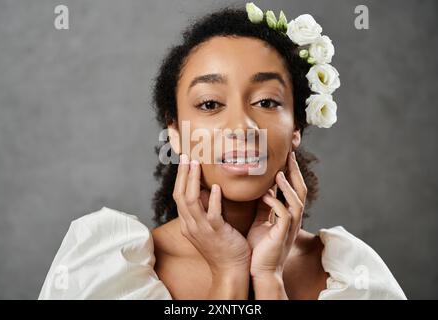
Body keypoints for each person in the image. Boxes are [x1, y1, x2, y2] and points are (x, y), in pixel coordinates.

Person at [38, 3, 407, 300]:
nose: (242, 127)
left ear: (296, 128)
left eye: (266, 101)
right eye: (211, 104)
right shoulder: (103, 269)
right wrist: (229, 273)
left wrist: (269, 280)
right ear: (176, 133)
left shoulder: (352, 275)